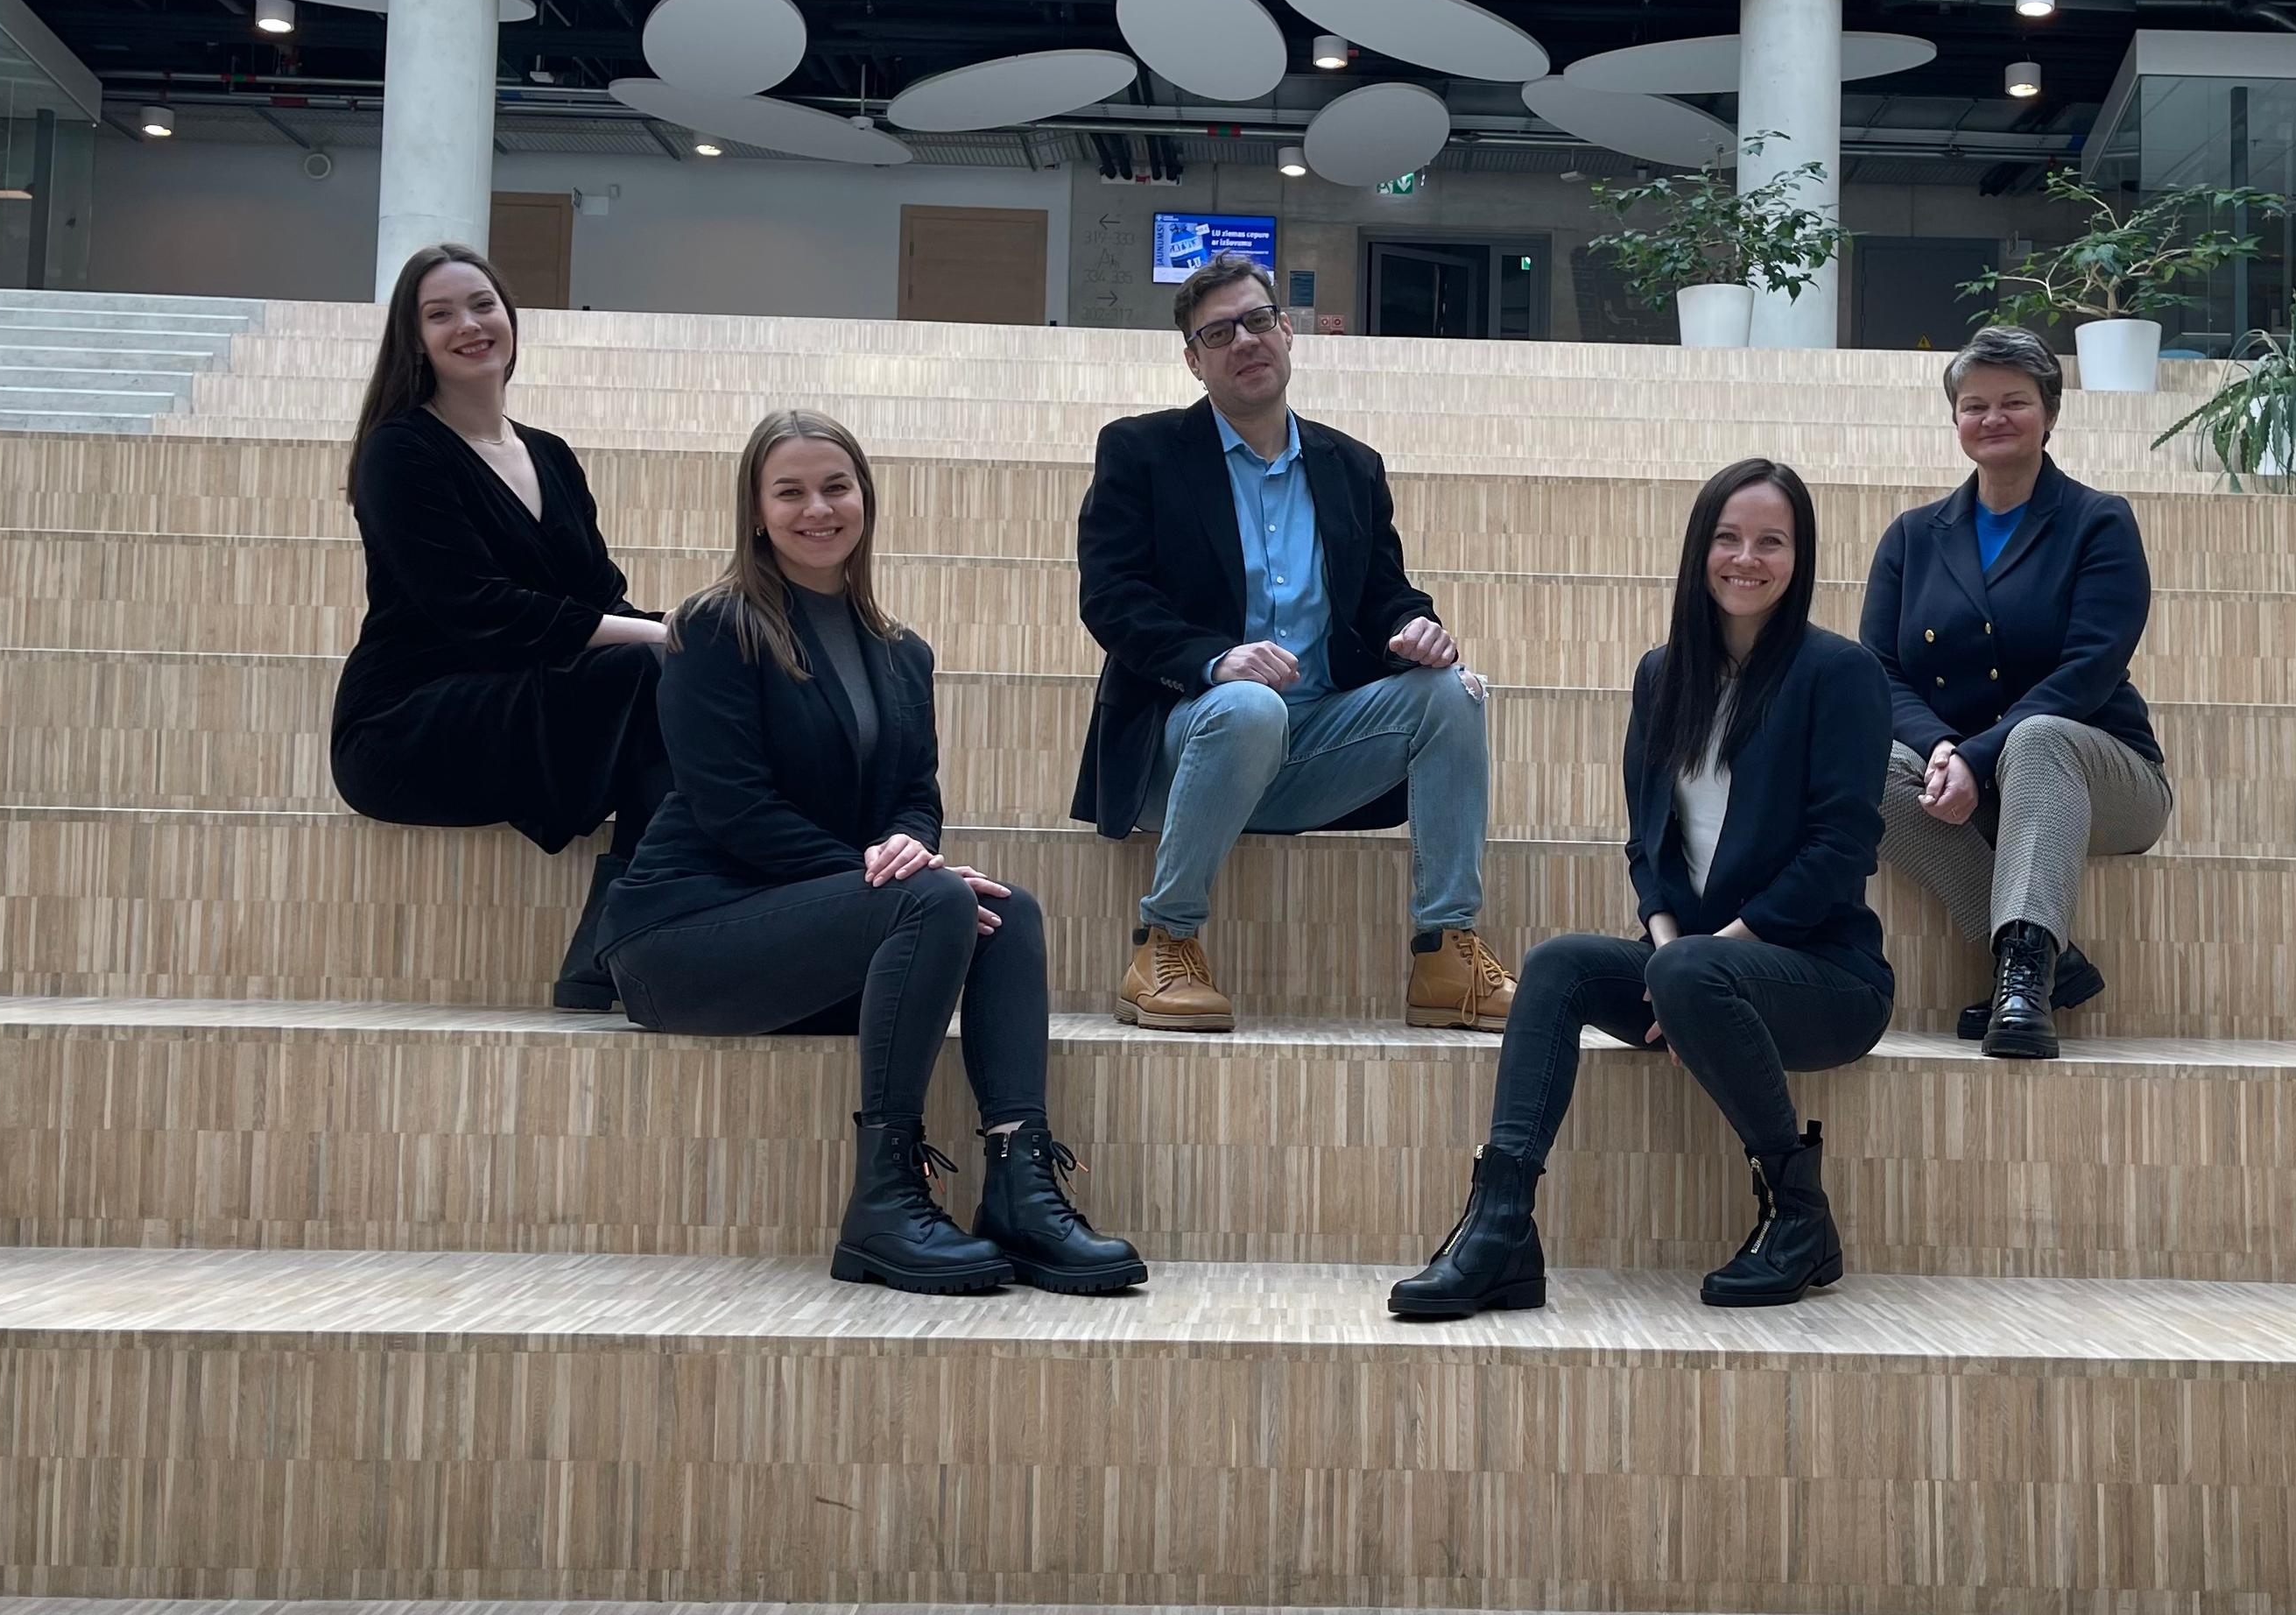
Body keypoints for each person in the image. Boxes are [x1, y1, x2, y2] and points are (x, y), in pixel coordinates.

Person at [599, 410, 1144, 1299]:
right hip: (683, 938)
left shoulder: (902, 653)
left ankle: (1017, 1181)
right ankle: (886, 1202)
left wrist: (910, 847)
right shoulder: (713, 627)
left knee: (1008, 912)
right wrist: (895, 876)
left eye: (836, 486)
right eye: (790, 491)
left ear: (865, 500)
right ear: (756, 510)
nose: (817, 508)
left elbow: (914, 795)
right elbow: (732, 810)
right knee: (929, 900)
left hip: (810, 936)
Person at [1392, 458, 1893, 1318]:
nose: (1747, 557)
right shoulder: (1664, 674)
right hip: (1692, 969)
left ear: (1800, 557)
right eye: (1728, 538)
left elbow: (1840, 850)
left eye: (1772, 541)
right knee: (1556, 967)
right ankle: (1502, 1226)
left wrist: (1699, 962)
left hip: (1825, 980)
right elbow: (1646, 843)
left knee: (1691, 973)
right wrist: (1668, 951)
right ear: (1700, 549)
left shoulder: (1838, 675)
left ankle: (1800, 1214)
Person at [1071, 253, 1517, 1035]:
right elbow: (1113, 598)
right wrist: (1216, 661)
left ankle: (1445, 952)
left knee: (1455, 692)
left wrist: (1418, 628)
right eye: (1218, 332)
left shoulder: (1351, 466)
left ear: (1286, 332)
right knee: (1247, 706)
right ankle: (1164, 941)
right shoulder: (1141, 452)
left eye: (1256, 321)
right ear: (1193, 359)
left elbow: (1384, 594)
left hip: (1315, 745)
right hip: (1190, 738)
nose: (1243, 340)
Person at [331, 243, 670, 1013]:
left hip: (518, 699)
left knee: (696, 672)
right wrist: (655, 639)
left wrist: (686, 628)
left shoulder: (549, 454)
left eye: (483, 305)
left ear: (510, 317)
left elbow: (598, 595)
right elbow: (476, 611)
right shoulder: (401, 450)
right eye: (440, 313)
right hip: (407, 724)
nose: (469, 324)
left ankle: (608, 947)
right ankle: (618, 936)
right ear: (413, 340)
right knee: (658, 673)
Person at [1863, 324, 2170, 1062]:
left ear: (2051, 414)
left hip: (2098, 774)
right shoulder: (1912, 536)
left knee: (2036, 737)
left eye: (2014, 402)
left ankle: (2025, 977)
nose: (1992, 418)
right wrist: (1940, 750)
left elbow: (2090, 669)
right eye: (1975, 405)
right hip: (1966, 777)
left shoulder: (2098, 521)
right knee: (1854, 762)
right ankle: (2050, 962)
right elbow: (1880, 670)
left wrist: (1976, 753)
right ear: (1957, 420)